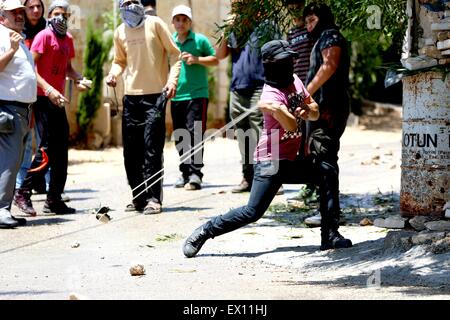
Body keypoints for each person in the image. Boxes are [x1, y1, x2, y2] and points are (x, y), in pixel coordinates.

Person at [182, 39, 352, 258]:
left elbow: (315, 111)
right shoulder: (270, 95)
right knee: (252, 212)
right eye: (285, 60)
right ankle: (205, 231)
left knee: (327, 171)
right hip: (270, 162)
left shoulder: (293, 80)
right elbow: (291, 125)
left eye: (291, 59)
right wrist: (281, 110)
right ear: (271, 63)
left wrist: (307, 110)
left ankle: (329, 235)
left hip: (292, 159)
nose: (290, 63)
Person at [106, 0, 181, 214]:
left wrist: (172, 81)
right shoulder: (120, 31)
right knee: (131, 152)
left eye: (133, 0)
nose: (129, 4)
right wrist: (113, 74)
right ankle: (138, 196)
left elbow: (175, 55)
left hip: (156, 96)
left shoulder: (155, 24)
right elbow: (119, 60)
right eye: (125, 1)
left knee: (151, 148)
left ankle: (154, 198)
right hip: (130, 98)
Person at [15, 0, 87, 215]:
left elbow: (68, 69)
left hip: (58, 99)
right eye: (55, 13)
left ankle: (54, 199)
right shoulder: (43, 36)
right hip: (42, 98)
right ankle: (23, 192)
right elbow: (31, 68)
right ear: (50, 15)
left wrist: (80, 78)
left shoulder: (68, 39)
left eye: (64, 15)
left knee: (61, 149)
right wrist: (48, 89)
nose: (59, 18)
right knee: (46, 148)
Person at [216, 0, 282, 194]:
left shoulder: (267, 26)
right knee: (243, 135)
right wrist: (226, 30)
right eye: (235, 5)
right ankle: (248, 177)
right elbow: (220, 55)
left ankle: (271, 178)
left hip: (260, 87)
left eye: (242, 4)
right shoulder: (234, 29)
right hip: (237, 89)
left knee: (262, 134)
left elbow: (278, 55)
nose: (238, 7)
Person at [302, 2, 351, 228]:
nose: (309, 25)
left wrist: (305, 93)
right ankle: (327, 210)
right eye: (307, 21)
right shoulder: (321, 39)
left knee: (325, 159)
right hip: (321, 108)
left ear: (323, 19)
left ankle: (330, 214)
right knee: (321, 159)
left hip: (330, 108)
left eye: (313, 20)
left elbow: (329, 66)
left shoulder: (331, 36)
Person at [171, 5, 218, 190]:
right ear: (173, 22)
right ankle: (184, 173)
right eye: (177, 19)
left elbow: (215, 60)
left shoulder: (200, 40)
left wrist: (197, 59)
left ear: (190, 22)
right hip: (176, 96)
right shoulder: (170, 42)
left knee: (195, 134)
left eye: (184, 20)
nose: (181, 23)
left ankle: (195, 174)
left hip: (197, 95)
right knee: (180, 136)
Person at [0, 0, 37, 228]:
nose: (20, 15)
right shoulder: (5, 37)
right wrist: (13, 50)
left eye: (20, 12)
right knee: (8, 162)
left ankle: (5, 210)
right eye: (14, 12)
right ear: (2, 16)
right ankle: (1, 210)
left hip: (21, 110)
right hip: (8, 109)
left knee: (13, 163)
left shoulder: (15, 37)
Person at [286, 0, 320, 222]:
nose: (292, 7)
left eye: (295, 2)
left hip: (310, 90)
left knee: (313, 141)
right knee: (300, 142)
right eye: (289, 4)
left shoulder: (311, 28)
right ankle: (308, 185)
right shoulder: (290, 32)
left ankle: (318, 187)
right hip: (295, 90)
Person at [14, 0, 47, 203]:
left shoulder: (48, 31)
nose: (35, 11)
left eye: (39, 6)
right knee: (24, 143)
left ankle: (45, 184)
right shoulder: (16, 33)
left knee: (45, 141)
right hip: (22, 95)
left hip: (45, 95)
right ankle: (20, 186)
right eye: (30, 7)